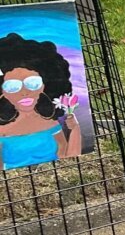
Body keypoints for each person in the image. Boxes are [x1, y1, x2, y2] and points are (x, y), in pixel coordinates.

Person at [0, 32, 84, 169]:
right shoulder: (1, 130)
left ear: (45, 85)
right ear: (2, 92)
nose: (24, 92)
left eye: (33, 83)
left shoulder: (48, 121)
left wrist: (75, 130)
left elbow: (67, 155)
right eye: (12, 86)